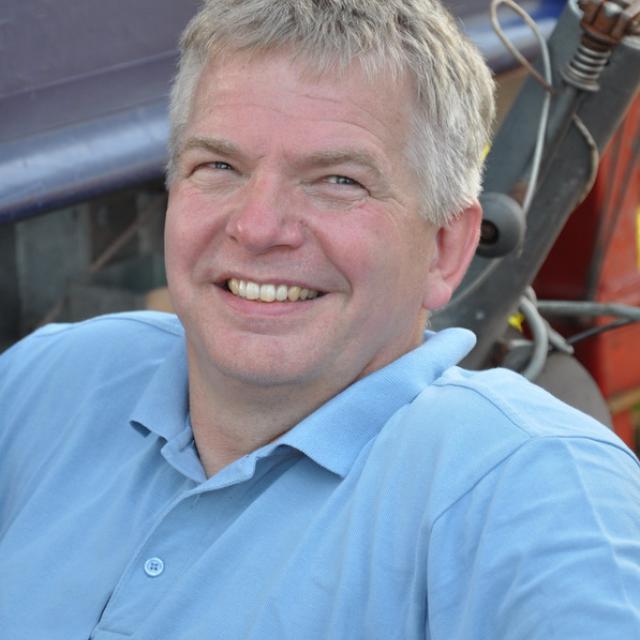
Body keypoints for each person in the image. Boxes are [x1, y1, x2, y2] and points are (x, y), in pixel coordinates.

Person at [1, 0, 639, 638]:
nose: (257, 227)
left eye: (337, 180)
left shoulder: (536, 489)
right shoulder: (51, 379)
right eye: (219, 166)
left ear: (445, 247)